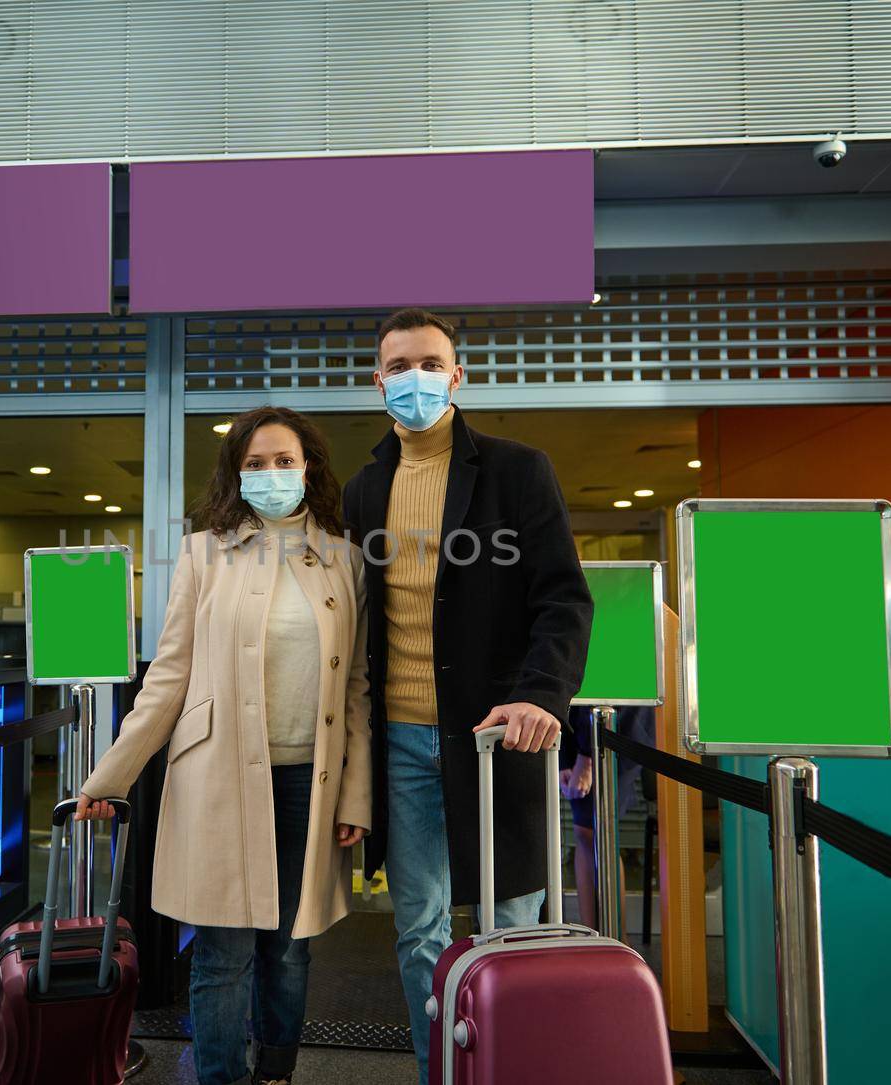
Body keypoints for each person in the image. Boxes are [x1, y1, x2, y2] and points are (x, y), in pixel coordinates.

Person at [76, 406, 372, 1085]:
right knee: (223, 951)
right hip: (218, 774)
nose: (272, 474)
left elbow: (357, 686)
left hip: (310, 778)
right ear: (237, 474)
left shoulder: (344, 557)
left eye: (285, 460)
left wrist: (357, 792)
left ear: (309, 468)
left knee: (290, 950)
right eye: (257, 463)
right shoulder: (202, 552)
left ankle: (274, 1072)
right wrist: (108, 776)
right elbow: (169, 674)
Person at [342, 308, 593, 1084]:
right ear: (376, 380)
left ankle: (508, 1070)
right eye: (397, 364)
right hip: (401, 740)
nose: (413, 377)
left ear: (457, 375)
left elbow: (563, 598)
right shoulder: (364, 489)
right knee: (417, 930)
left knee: (508, 925)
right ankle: (442, 1074)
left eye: (430, 362)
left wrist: (541, 695)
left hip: (495, 738)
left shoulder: (518, 470)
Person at [561, 705, 657, 929]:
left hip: (618, 723)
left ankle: (613, 938)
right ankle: (597, 937)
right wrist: (565, 757)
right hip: (576, 726)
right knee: (586, 833)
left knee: (596, 832)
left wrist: (586, 759)